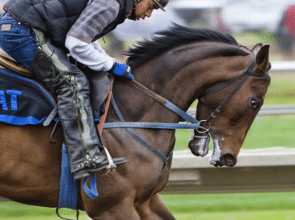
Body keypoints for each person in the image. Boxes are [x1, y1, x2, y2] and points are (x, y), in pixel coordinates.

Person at [0, 0, 169, 180]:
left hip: (23, 26)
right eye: (151, 6)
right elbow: (76, 43)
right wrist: (112, 65)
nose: (149, 14)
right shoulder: (111, 5)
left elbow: (86, 38)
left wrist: (109, 63)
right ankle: (83, 157)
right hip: (21, 31)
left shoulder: (115, 4)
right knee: (72, 83)